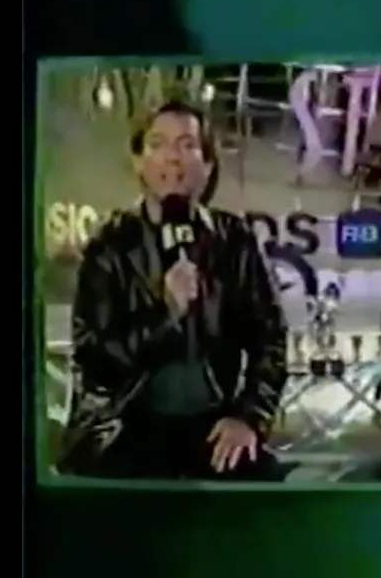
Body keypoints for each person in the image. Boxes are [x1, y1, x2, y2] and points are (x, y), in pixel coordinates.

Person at [56, 99, 289, 481]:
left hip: (213, 424)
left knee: (268, 496)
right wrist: (165, 313)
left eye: (187, 145)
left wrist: (249, 417)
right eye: (158, 144)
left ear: (208, 164)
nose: (173, 158)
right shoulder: (110, 247)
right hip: (125, 426)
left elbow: (271, 338)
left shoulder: (234, 241)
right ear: (138, 162)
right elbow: (96, 360)